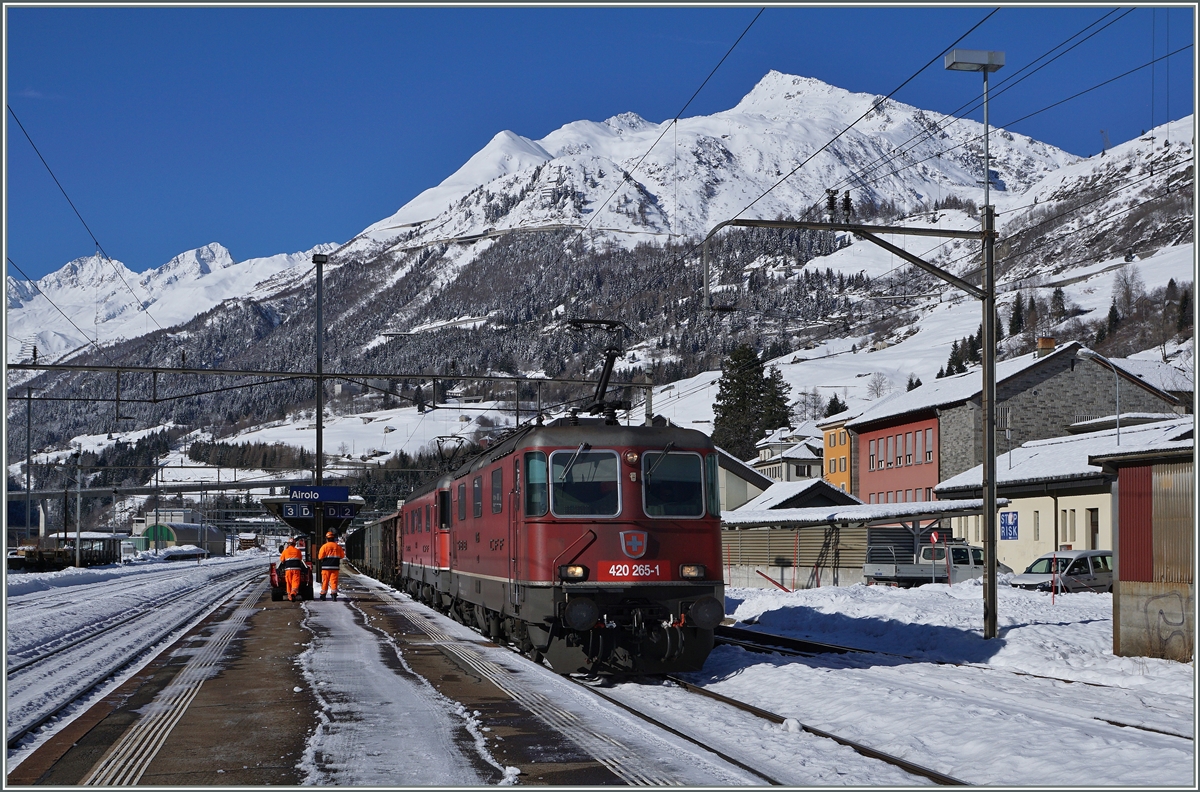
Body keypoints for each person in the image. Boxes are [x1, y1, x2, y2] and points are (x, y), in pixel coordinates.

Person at [318, 531, 346, 601]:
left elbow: (320, 557)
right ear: (333, 539)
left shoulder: (324, 546)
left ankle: (323, 595)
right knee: (334, 581)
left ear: (327, 539)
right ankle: (334, 595)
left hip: (326, 567)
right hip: (335, 567)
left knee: (325, 581)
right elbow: (342, 556)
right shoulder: (338, 546)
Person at [278, 537, 305, 602]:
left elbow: (281, 560)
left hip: (288, 570)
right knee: (295, 582)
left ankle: (290, 596)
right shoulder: (298, 551)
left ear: (289, 544)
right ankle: (293, 593)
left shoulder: (285, 551)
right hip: (296, 569)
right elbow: (301, 559)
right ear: (295, 544)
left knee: (289, 582)